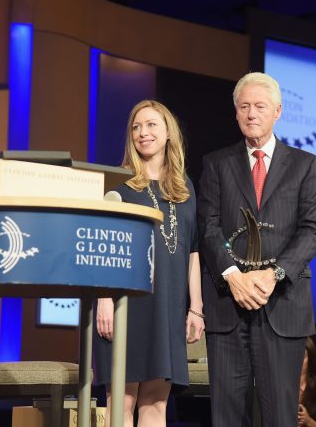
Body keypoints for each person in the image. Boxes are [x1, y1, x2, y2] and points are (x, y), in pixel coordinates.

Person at [197, 71, 316, 426]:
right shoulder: (216, 163)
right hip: (227, 304)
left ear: (278, 111)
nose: (252, 114)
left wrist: (274, 274)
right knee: (226, 414)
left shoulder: (304, 165)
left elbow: (312, 229)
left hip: (282, 303)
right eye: (244, 107)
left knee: (280, 416)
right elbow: (207, 227)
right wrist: (233, 276)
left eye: (260, 106)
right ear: (235, 113)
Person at [93, 100, 204, 427]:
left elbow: (193, 251)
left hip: (166, 308)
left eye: (152, 125)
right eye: (137, 127)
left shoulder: (185, 189)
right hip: (126, 305)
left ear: (168, 132)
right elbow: (103, 247)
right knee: (121, 405)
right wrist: (103, 298)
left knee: (156, 406)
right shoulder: (119, 186)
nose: (143, 133)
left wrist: (195, 307)